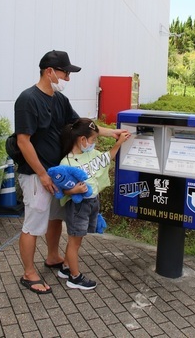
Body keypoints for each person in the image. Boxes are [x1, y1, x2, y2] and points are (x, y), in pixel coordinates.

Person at [15, 50, 126, 294]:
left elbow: (82, 126)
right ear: (49, 71)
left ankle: (53, 257)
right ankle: (28, 273)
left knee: (55, 217)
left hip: (60, 175)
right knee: (33, 224)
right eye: (65, 73)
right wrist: (43, 175)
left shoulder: (60, 100)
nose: (67, 78)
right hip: (37, 175)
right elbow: (24, 141)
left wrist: (113, 133)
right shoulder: (28, 99)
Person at [56, 118, 130, 290]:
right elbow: (62, 189)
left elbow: (108, 157)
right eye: (93, 139)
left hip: (91, 203)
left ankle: (66, 268)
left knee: (76, 239)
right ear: (82, 140)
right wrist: (74, 191)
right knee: (75, 242)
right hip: (78, 206)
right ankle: (74, 278)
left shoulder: (91, 154)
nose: (94, 143)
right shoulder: (66, 163)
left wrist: (118, 143)